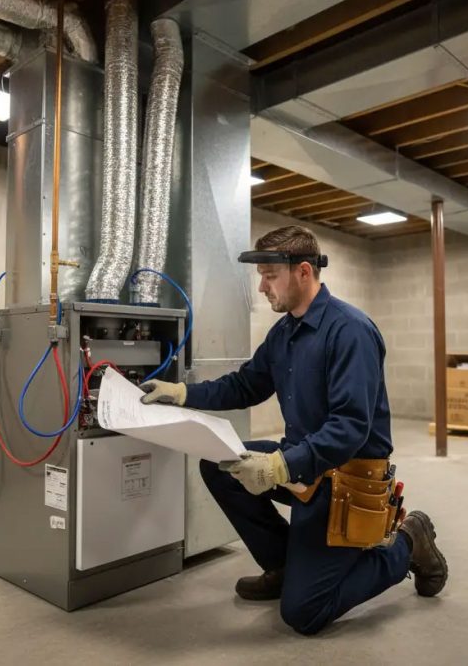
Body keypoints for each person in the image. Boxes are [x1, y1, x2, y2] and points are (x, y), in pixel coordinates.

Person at [139, 225, 447, 636]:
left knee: (304, 613)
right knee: (219, 465)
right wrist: (181, 393)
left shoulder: (350, 331)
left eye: (269, 275)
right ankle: (287, 568)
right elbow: (246, 385)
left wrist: (278, 467)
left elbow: (350, 427)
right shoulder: (283, 334)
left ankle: (409, 541)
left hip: (348, 478)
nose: (262, 287)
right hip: (304, 463)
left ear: (303, 271)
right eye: (261, 276)